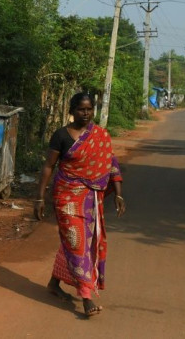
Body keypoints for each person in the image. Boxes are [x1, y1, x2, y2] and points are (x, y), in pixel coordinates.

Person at [34, 92, 125, 318]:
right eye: (81, 109)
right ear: (72, 110)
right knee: (77, 243)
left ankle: (54, 283)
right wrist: (39, 197)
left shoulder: (101, 135)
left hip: (90, 198)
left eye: (89, 109)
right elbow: (48, 166)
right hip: (66, 196)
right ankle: (86, 297)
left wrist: (119, 194)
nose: (86, 113)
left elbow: (111, 164)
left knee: (79, 242)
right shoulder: (61, 135)